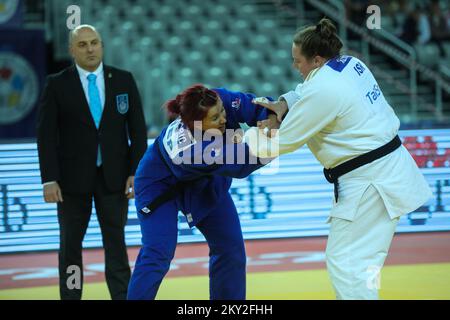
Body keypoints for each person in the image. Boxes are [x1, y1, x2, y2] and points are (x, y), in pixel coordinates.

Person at [245, 18, 432, 300]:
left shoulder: (324, 90)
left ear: (316, 59)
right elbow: (306, 92)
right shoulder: (349, 65)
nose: (295, 66)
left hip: (370, 181)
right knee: (360, 264)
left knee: (347, 264)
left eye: (298, 61)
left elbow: (282, 142)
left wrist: (239, 140)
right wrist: (284, 102)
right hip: (384, 171)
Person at [127, 84, 276, 300]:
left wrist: (270, 118)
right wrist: (281, 139)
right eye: (215, 119)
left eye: (222, 112)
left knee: (230, 248)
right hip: (158, 187)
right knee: (158, 253)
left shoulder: (216, 98)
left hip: (204, 181)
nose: (223, 119)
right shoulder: (190, 149)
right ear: (196, 125)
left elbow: (257, 106)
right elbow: (243, 162)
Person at [36, 24, 148, 300]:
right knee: (71, 247)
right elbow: (46, 135)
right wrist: (49, 178)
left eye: (94, 42)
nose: (90, 48)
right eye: (83, 44)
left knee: (116, 245)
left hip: (115, 178)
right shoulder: (58, 84)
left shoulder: (123, 79)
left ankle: (122, 297)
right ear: (72, 50)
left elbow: (138, 132)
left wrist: (135, 172)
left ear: (102, 45)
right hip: (71, 182)